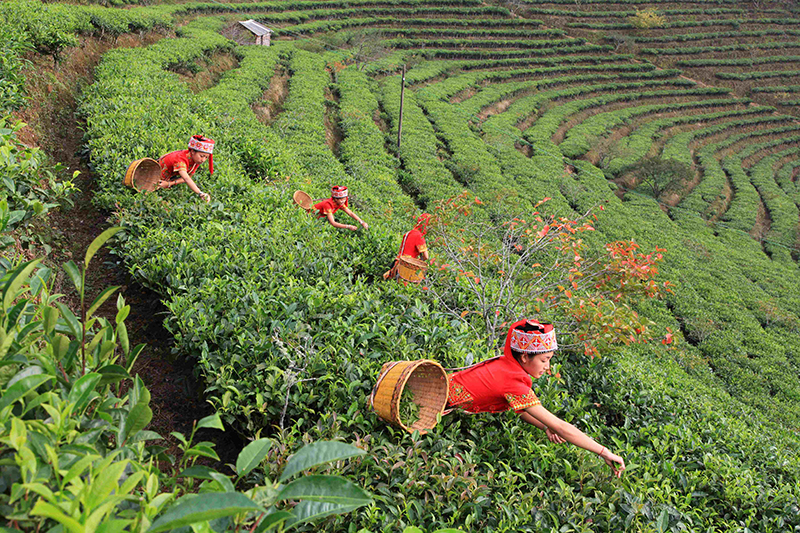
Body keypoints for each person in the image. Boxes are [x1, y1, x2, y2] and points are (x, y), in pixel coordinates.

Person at [447, 319, 626, 478]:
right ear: (525, 356)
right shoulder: (513, 382)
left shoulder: (505, 364)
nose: (548, 367)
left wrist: (544, 426)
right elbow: (563, 428)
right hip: (437, 402)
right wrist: (604, 452)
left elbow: (521, 410)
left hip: (442, 387)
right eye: (544, 360)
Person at [158, 134, 214, 202]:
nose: (203, 160)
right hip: (158, 172)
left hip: (170, 176)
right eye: (202, 156)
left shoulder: (196, 160)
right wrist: (200, 193)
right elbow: (186, 178)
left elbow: (188, 177)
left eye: (206, 157)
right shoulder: (181, 160)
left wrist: (170, 183)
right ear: (193, 152)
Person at [383, 213, 430, 280]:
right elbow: (426, 257)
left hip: (397, 263)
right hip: (407, 267)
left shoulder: (408, 233)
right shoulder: (419, 236)